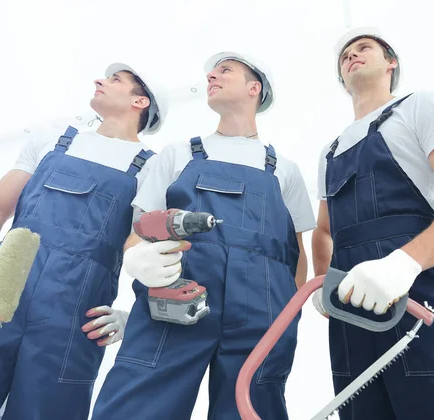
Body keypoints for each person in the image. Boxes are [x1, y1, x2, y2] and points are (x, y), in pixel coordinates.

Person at [91, 51, 316, 420]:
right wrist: (137, 260)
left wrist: (286, 320)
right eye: (211, 72)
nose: (212, 76)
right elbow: (140, 229)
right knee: (137, 406)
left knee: (251, 407)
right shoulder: (177, 154)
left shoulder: (283, 171)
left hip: (262, 316)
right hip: (175, 303)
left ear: (253, 88)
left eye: (225, 70)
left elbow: (295, 255)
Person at [311, 26, 434, 419]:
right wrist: (323, 284)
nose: (352, 54)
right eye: (345, 54)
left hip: (420, 297)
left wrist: (403, 264)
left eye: (364, 47)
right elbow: (324, 230)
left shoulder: (419, 108)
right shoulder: (330, 150)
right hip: (351, 314)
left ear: (391, 62)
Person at [0, 61, 168, 420]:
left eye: (115, 80)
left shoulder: (152, 169)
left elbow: (144, 252)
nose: (100, 80)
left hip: (74, 317)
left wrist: (137, 317)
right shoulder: (53, 141)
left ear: (140, 102)